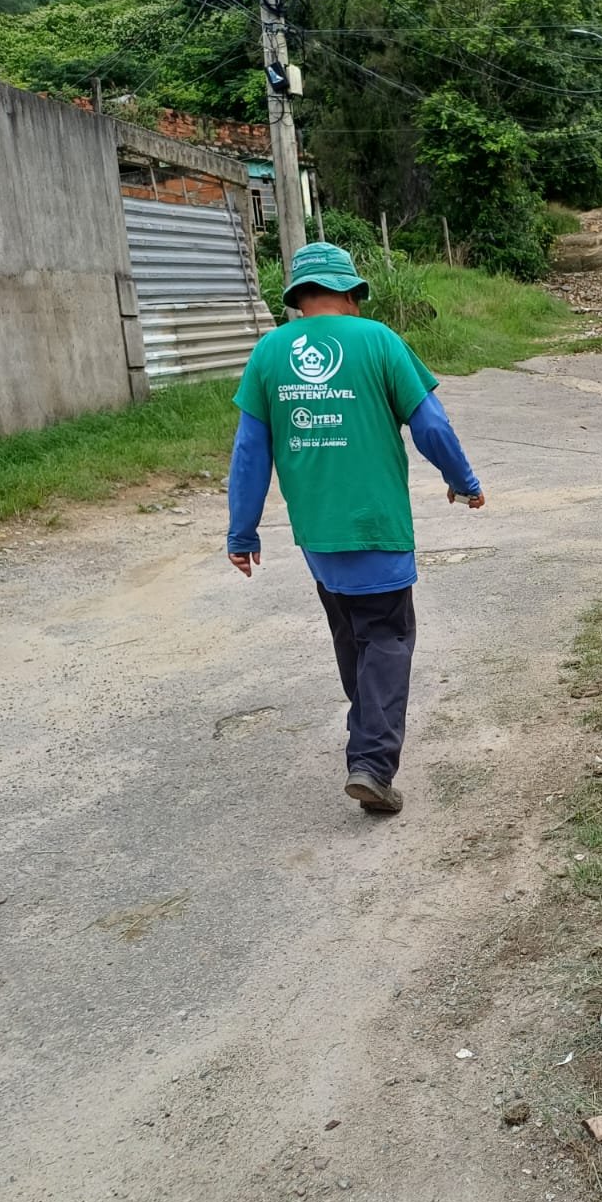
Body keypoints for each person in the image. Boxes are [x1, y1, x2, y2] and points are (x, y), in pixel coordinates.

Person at [225, 241, 484, 816]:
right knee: (387, 638)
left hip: (319, 538)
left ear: (298, 298)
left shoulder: (269, 352)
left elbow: (249, 452)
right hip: (377, 528)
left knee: (353, 637)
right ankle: (372, 763)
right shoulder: (379, 341)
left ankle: (366, 741)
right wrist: (463, 481)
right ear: (350, 294)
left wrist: (242, 533)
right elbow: (431, 425)